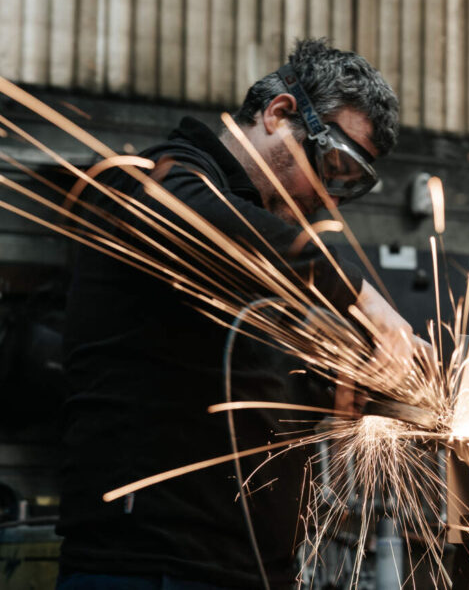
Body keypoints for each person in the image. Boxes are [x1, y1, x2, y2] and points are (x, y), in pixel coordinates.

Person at [56, 39, 418, 589]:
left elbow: (277, 386)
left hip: (253, 573)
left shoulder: (274, 269)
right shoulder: (149, 181)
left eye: (352, 186)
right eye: (334, 166)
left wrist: (377, 385)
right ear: (279, 115)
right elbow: (206, 223)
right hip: (145, 570)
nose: (330, 197)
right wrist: (363, 293)